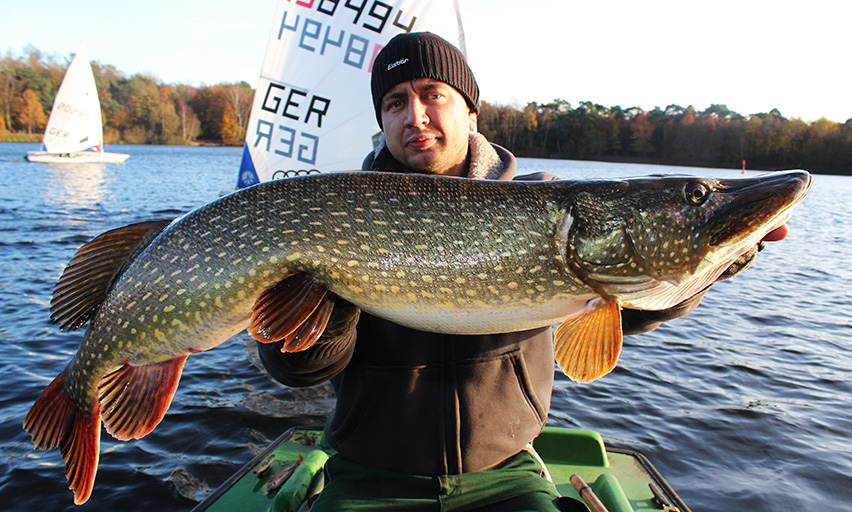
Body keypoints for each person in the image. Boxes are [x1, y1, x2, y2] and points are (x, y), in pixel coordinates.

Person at [256, 32, 781, 511]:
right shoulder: (339, 211)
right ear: (383, 121)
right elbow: (300, 371)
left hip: (505, 475)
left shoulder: (546, 198)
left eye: (433, 94)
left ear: (470, 112)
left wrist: (713, 262)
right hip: (366, 474)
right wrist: (338, 290)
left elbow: (635, 307)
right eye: (396, 102)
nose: (415, 115)